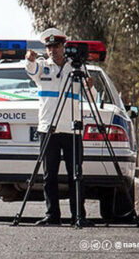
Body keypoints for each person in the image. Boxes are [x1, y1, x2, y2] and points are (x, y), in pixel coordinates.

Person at [25, 28, 94, 227]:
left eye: (56, 46)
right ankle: (52, 215)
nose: (52, 50)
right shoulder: (41, 67)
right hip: (48, 128)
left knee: (76, 174)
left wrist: (90, 85)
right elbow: (30, 70)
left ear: (64, 47)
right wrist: (29, 59)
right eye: (49, 46)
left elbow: (90, 96)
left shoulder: (76, 67)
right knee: (49, 176)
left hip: (72, 129)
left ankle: (78, 216)